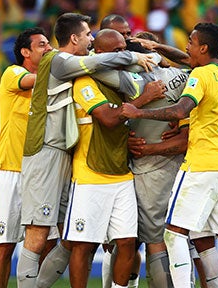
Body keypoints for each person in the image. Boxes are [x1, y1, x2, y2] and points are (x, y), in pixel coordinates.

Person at [16, 12, 155, 288]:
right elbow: (98, 62)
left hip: (64, 153)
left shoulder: (73, 65)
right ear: (74, 38)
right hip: (45, 151)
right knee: (37, 233)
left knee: (68, 238)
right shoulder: (58, 60)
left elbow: (114, 75)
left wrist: (144, 57)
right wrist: (133, 57)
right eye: (88, 35)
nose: (90, 40)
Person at [120, 22, 218, 288]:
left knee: (173, 234)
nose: (187, 46)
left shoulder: (200, 76)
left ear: (203, 47)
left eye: (191, 41)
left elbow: (180, 110)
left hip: (201, 165)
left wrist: (139, 113)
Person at [64, 28, 166, 288]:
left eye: (125, 49)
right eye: (117, 51)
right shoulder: (85, 81)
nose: (125, 55)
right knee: (84, 245)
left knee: (127, 242)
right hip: (90, 174)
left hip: (121, 173)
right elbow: (109, 119)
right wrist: (145, 98)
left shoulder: (125, 81)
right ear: (99, 54)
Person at [0, 28, 57, 288]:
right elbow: (35, 81)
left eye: (49, 43)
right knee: (5, 246)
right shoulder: (13, 73)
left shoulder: (54, 82)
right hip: (11, 170)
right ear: (25, 53)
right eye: (41, 45)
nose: (48, 48)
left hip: (40, 172)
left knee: (49, 241)